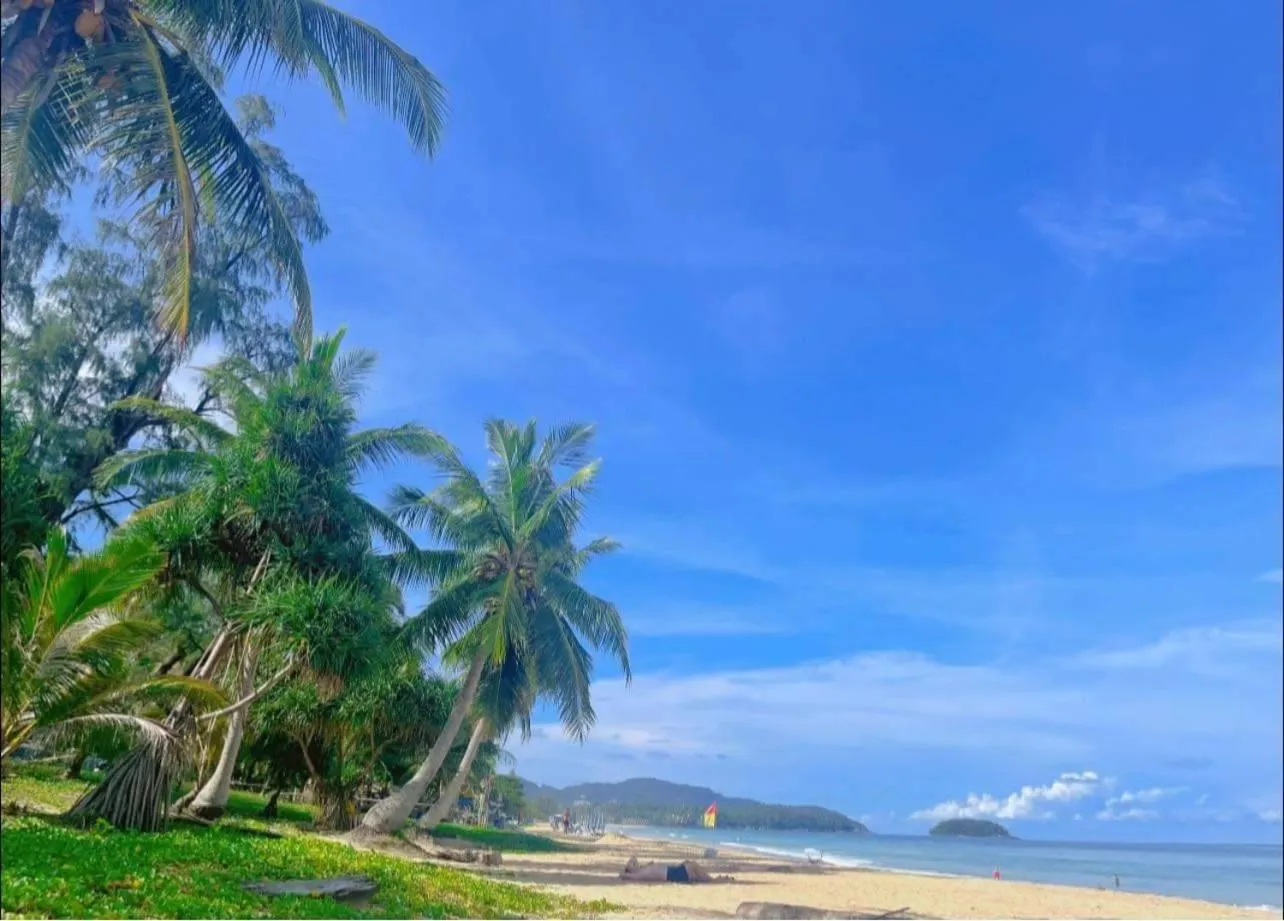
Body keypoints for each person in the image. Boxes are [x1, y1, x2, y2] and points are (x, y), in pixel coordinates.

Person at [619, 856, 732, 883]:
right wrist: (627, 871)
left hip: (674, 871)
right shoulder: (638, 875)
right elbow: (623, 875)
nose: (634, 863)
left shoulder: (642, 870)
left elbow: (633, 857)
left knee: (688, 863)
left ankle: (708, 879)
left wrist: (633, 867)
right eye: (632, 865)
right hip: (673, 875)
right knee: (693, 865)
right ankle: (713, 880)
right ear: (631, 870)